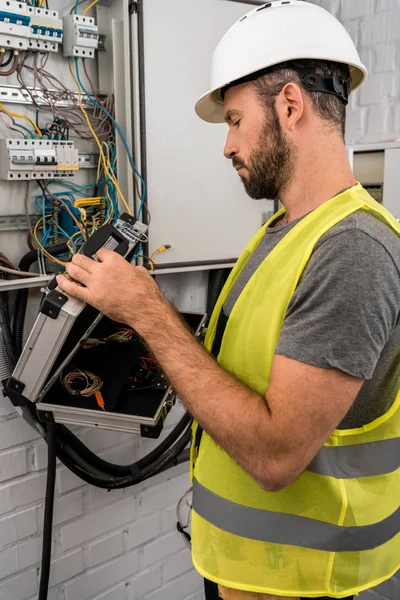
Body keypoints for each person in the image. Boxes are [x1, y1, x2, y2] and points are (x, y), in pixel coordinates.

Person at [57, 1, 400, 599]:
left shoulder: (352, 251)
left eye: (236, 120)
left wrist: (147, 311)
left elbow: (274, 456)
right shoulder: (281, 232)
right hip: (249, 575)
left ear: (290, 105)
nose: (227, 146)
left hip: (304, 583)